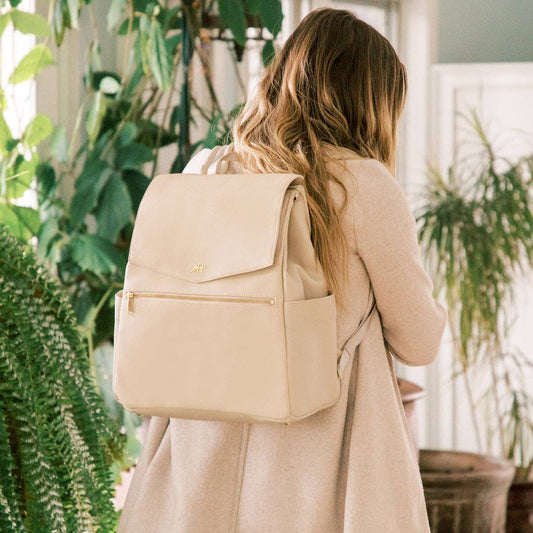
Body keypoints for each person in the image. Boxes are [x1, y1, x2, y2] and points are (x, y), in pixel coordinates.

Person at [117, 7, 447, 532]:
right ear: (371, 102)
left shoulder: (206, 168)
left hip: (200, 458)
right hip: (316, 473)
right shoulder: (363, 185)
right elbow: (419, 341)